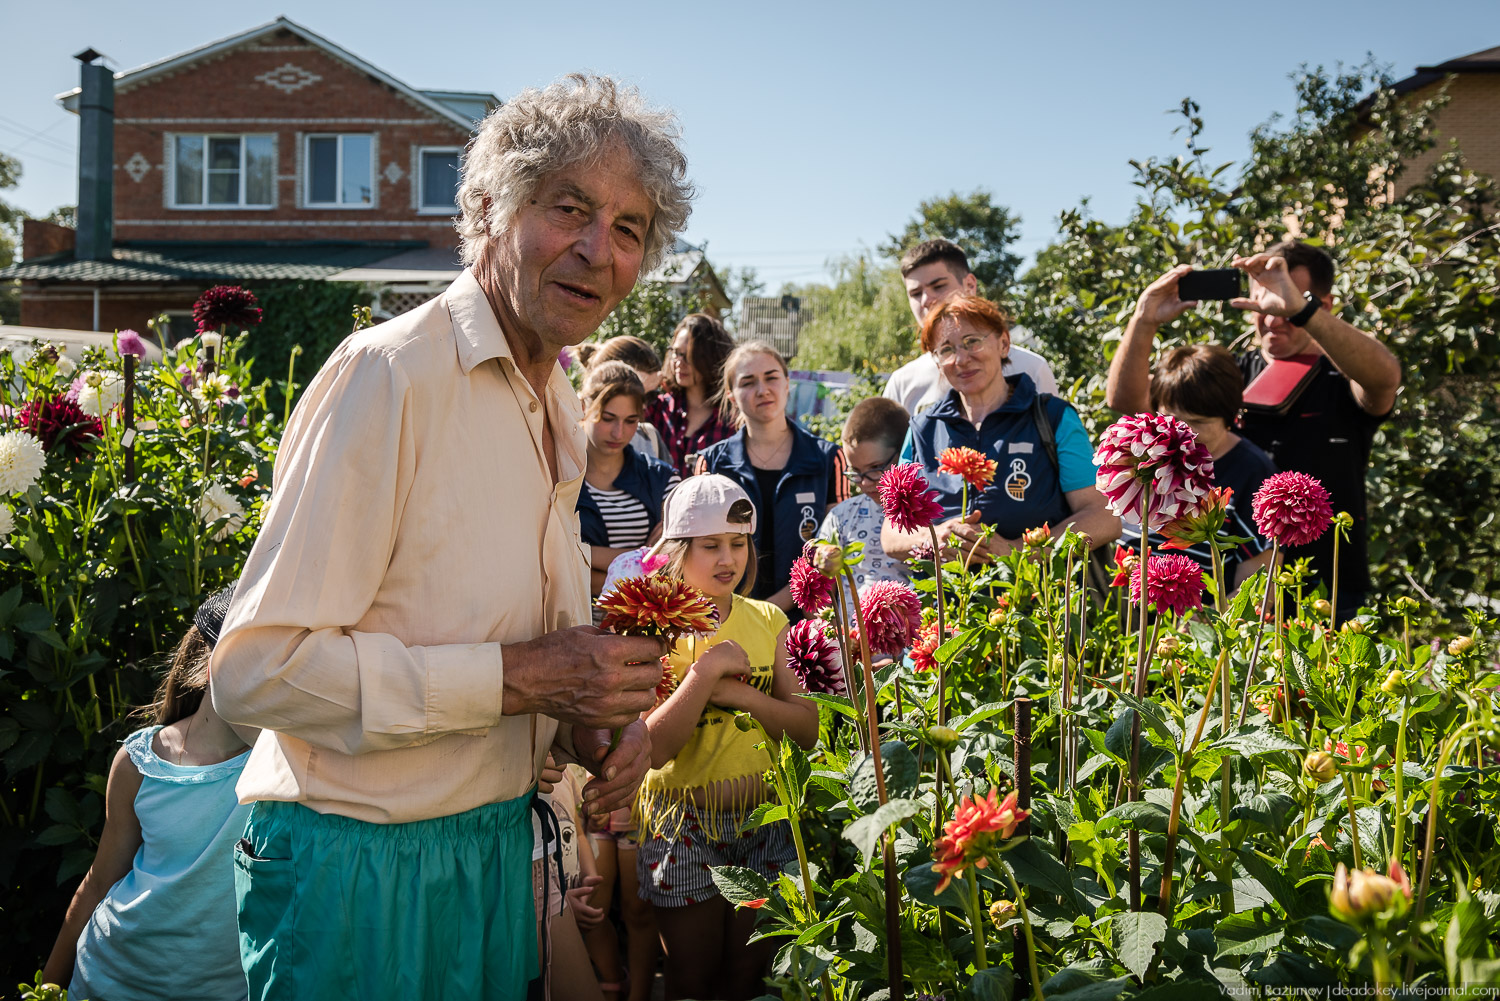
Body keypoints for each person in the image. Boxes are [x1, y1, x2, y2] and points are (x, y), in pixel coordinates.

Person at [209, 73, 690, 998]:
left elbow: (503, 634)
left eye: (629, 230)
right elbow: (254, 671)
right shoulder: (389, 375)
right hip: (357, 866)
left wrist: (585, 721)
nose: (598, 250)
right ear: (486, 207)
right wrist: (517, 678)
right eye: (569, 209)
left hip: (494, 853)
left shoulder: (553, 391)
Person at [1104, 240, 1402, 614]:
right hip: (1238, 593)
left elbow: (1385, 379)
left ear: (1322, 305)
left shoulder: (1343, 378)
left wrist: (1301, 311)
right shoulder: (1231, 374)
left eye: (1286, 303)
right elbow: (1129, 404)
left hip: (1327, 590)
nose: (1274, 318)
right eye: (1265, 303)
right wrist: (1143, 319)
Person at [634, 475, 818, 1001]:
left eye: (738, 544)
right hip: (682, 826)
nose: (728, 558)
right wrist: (705, 673)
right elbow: (654, 748)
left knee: (747, 979)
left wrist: (744, 698)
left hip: (764, 824)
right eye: (710, 545)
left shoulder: (770, 620)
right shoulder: (655, 628)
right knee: (691, 981)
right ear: (677, 549)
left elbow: (806, 729)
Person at [43, 587, 256, 1001]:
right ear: (211, 665)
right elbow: (100, 880)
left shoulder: (283, 762)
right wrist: (47, 985)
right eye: (253, 663)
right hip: (109, 979)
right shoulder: (141, 760)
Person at [882, 296, 1119, 563]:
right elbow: (891, 533)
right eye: (946, 349)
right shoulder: (922, 429)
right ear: (936, 361)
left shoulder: (1053, 417)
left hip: (1037, 598)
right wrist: (933, 539)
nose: (961, 358)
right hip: (945, 601)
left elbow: (1103, 516)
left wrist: (1016, 553)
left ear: (1003, 344)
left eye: (973, 341)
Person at [696, 341, 846, 614]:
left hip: (805, 621)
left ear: (787, 383)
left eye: (771, 378)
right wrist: (742, 615)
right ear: (731, 396)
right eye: (748, 382)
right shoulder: (711, 463)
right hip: (728, 617)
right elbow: (698, 550)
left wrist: (769, 610)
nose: (762, 390)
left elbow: (835, 551)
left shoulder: (828, 459)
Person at [1121, 344, 1278, 590]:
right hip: (1124, 618)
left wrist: (1201, 627)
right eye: (1172, 419)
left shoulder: (1252, 472)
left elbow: (1258, 590)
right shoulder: (1140, 452)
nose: (1183, 433)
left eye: (1198, 422)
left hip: (1194, 622)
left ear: (1230, 417)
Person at [883, 239, 1058, 416]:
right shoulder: (902, 383)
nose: (926, 300)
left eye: (938, 286)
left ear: (970, 285)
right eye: (915, 293)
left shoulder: (1031, 368)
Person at [576, 361, 680, 599]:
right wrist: (640, 558)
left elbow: (672, 563)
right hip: (570, 623)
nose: (618, 432)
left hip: (640, 627)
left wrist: (586, 556)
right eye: (608, 418)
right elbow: (552, 561)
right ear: (583, 407)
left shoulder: (662, 479)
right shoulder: (555, 474)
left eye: (631, 421)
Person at [819, 396, 911, 605]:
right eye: (855, 472)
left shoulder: (925, 514)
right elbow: (819, 594)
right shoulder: (841, 517)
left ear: (905, 454)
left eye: (875, 468)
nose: (864, 483)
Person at [646, 313, 738, 477]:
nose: (679, 362)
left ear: (711, 358)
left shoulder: (732, 418)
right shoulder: (658, 409)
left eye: (689, 355)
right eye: (676, 353)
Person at [577, 336, 668, 461]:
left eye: (651, 396)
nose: (642, 407)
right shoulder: (558, 439)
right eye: (607, 418)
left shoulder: (649, 439)